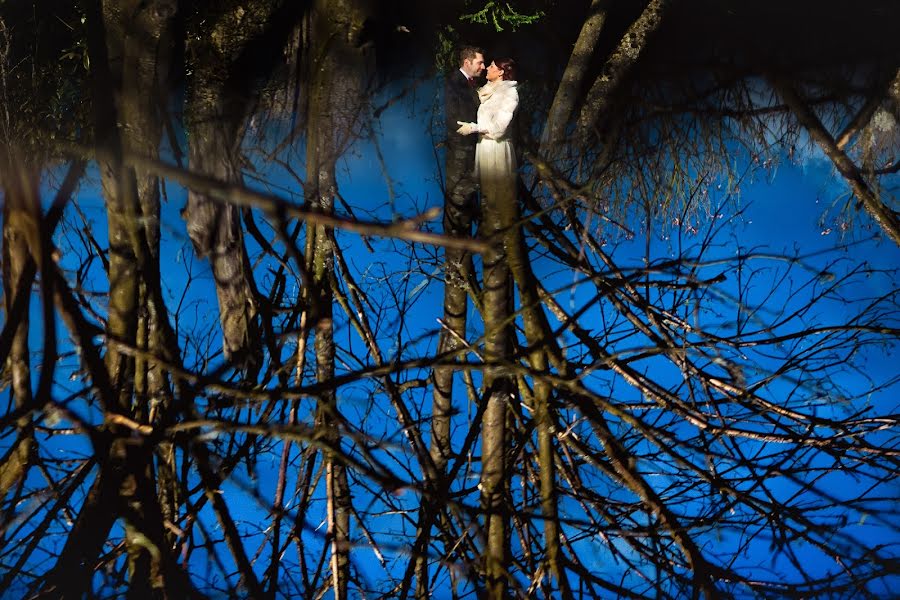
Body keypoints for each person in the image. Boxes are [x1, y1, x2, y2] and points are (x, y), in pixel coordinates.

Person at [455, 58, 518, 202]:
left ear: (501, 72)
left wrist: (473, 127)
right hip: (484, 147)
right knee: (486, 197)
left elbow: (499, 129)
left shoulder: (509, 93)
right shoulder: (486, 91)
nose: (487, 68)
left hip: (497, 150)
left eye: (491, 66)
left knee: (497, 197)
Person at [444, 46, 485, 234]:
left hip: (472, 149)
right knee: (457, 198)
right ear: (467, 63)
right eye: (480, 63)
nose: (483, 67)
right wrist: (465, 129)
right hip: (460, 151)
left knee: (468, 197)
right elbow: (450, 117)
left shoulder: (469, 83)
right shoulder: (453, 82)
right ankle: (456, 240)